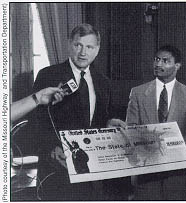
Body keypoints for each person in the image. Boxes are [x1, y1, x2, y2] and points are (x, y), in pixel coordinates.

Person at [28, 23, 126, 200]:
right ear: (69, 45)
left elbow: (98, 120)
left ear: (97, 50)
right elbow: (35, 120)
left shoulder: (103, 82)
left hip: (91, 170)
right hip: (57, 167)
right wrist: (51, 147)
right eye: (78, 45)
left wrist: (107, 124)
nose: (83, 52)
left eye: (89, 47)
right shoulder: (48, 75)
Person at [126, 45, 186, 200]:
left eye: (165, 61)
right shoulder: (138, 93)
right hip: (147, 168)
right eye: (156, 59)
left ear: (177, 66)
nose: (158, 64)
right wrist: (150, 153)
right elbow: (132, 128)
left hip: (177, 171)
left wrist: (170, 154)